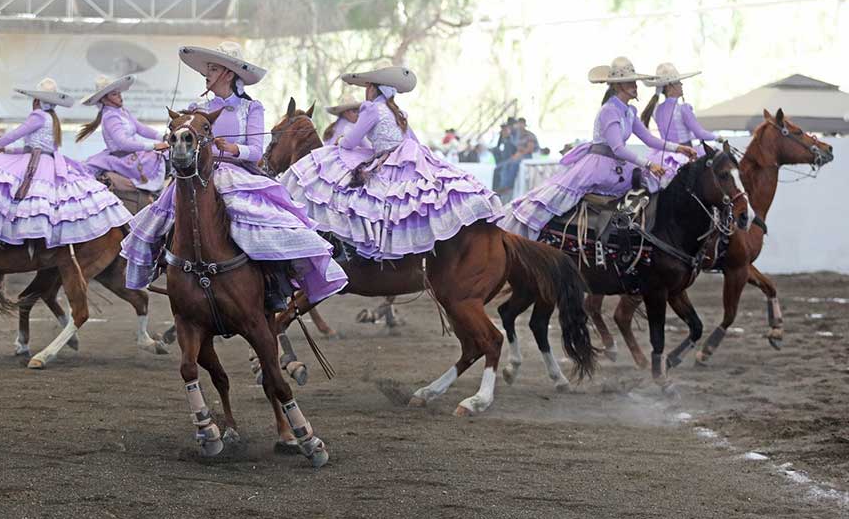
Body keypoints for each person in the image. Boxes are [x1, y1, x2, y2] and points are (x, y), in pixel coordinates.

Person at [120, 42, 347, 312]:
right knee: (161, 221)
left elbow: (256, 152)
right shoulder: (196, 107)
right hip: (198, 175)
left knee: (263, 224)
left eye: (213, 69)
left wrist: (233, 148)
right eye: (207, 69)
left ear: (228, 74)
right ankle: (163, 266)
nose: (207, 73)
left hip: (236, 174)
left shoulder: (251, 108)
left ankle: (273, 285)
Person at [282, 66, 504, 260]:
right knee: (404, 201)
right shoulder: (398, 112)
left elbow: (351, 141)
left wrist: (341, 142)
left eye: (367, 87)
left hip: (385, 159)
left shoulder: (370, 109)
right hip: (406, 158)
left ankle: (349, 245)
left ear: (373, 89)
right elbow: (411, 140)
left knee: (352, 191)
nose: (365, 91)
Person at [499, 57, 697, 240]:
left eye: (635, 82)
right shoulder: (609, 111)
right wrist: (648, 163)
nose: (635, 86)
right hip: (599, 165)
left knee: (653, 185)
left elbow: (648, 138)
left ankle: (634, 234)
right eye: (631, 82)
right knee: (558, 201)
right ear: (619, 86)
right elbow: (618, 148)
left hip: (617, 165)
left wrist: (678, 148)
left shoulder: (628, 111)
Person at [0, 78, 131, 246]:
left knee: (8, 195)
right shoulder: (51, 118)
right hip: (46, 160)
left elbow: (16, 133)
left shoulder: (38, 116)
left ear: (37, 100)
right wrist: (3, 150)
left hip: (35, 164)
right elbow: (31, 146)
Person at [77, 74, 169, 192]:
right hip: (123, 158)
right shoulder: (110, 116)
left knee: (166, 153)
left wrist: (163, 136)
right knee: (160, 158)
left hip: (132, 153)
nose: (120, 96)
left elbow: (140, 128)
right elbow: (123, 144)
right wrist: (153, 146)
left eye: (119, 93)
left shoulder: (122, 112)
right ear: (104, 100)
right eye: (115, 94)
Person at [640, 62, 721, 179]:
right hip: (686, 154)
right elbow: (700, 133)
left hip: (664, 156)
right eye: (678, 82)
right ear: (670, 87)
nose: (681, 84)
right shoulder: (683, 109)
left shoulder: (656, 110)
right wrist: (718, 137)